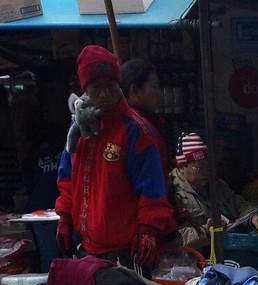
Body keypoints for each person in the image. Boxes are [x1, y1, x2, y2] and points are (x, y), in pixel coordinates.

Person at [55, 45, 175, 269]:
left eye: (110, 86)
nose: (105, 94)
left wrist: (148, 230)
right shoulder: (78, 129)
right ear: (85, 88)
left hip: (127, 252)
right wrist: (64, 217)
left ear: (119, 85)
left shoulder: (137, 131)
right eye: (95, 87)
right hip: (87, 248)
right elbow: (67, 178)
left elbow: (153, 188)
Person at [168, 132, 258, 253]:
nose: (206, 172)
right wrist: (208, 232)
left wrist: (251, 218)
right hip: (198, 259)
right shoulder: (171, 192)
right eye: (200, 168)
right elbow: (174, 239)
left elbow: (239, 204)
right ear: (182, 166)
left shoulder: (217, 185)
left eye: (208, 167)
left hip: (230, 248)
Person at [120, 59, 169, 172]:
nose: (160, 94)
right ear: (135, 90)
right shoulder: (136, 128)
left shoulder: (148, 122)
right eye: (154, 87)